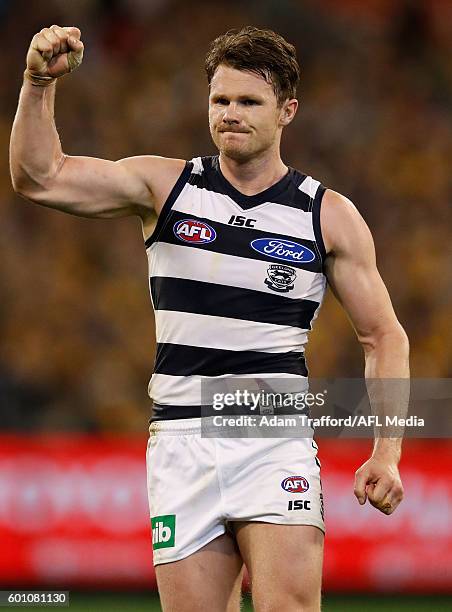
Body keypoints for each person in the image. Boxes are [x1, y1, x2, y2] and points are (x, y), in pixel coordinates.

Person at [10, 25, 409, 612]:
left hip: (272, 439)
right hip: (181, 441)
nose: (231, 113)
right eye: (221, 100)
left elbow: (383, 336)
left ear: (287, 111)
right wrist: (38, 83)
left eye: (249, 102)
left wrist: (387, 450)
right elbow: (38, 177)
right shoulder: (165, 186)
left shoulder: (327, 216)